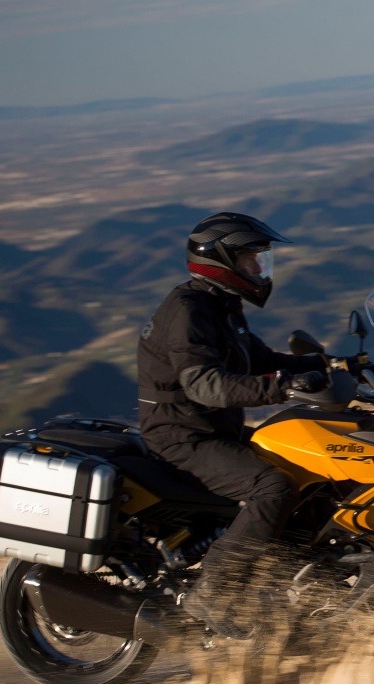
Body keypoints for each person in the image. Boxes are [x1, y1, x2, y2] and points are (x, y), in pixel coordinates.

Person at [136, 212, 327, 639]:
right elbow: (204, 385)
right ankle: (214, 592)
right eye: (250, 260)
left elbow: (261, 360)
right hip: (182, 437)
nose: (259, 268)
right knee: (273, 487)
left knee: (311, 464)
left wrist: (330, 364)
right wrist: (282, 387)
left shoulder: (220, 306)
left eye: (260, 260)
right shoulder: (188, 311)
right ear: (220, 262)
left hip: (214, 430)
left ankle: (283, 574)